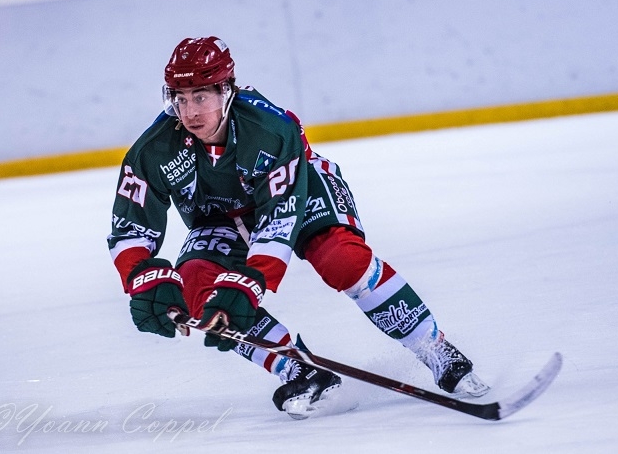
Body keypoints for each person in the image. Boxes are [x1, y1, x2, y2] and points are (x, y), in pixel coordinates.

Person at [107, 36, 489, 419]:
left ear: (227, 90)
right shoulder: (152, 150)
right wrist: (143, 277)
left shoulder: (270, 129)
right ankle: (300, 370)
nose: (189, 111)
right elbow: (130, 227)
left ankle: (434, 348)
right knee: (196, 284)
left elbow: (278, 223)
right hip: (221, 215)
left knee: (341, 259)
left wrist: (250, 281)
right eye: (180, 98)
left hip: (301, 190)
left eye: (201, 97)